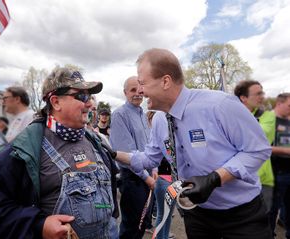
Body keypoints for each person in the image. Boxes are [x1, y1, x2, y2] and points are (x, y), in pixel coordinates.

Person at [113, 48, 273, 239]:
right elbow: (149, 158)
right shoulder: (159, 120)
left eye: (142, 83)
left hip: (242, 215)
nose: (140, 90)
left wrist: (216, 178)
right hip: (196, 215)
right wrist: (113, 154)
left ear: (165, 81)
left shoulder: (220, 105)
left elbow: (258, 150)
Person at [0, 67, 115, 239]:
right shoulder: (22, 150)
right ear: (55, 102)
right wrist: (38, 225)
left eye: (90, 96)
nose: (90, 103)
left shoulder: (96, 141)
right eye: (82, 96)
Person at [110, 76, 155, 239]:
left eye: (139, 89)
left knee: (142, 224)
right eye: (132, 90)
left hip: (146, 174)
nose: (137, 93)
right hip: (133, 179)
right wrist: (147, 178)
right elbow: (125, 154)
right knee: (132, 226)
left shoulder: (142, 114)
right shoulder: (120, 115)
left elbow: (149, 146)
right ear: (124, 93)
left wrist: (154, 169)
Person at [234, 80, 275, 213]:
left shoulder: (268, 115)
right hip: (238, 178)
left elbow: (258, 133)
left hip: (263, 179)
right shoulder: (231, 116)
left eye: (262, 93)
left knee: (265, 219)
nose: (262, 96)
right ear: (243, 98)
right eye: (257, 94)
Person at [86, 95, 120, 239]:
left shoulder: (102, 138)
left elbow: (113, 168)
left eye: (93, 109)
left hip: (107, 209)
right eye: (88, 108)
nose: (90, 112)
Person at [146, 111, 176, 239]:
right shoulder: (157, 140)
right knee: (161, 214)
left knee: (168, 215)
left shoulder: (173, 136)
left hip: (174, 181)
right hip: (163, 179)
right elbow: (153, 158)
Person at [268, 93, 290, 238]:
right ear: (279, 103)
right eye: (289, 106)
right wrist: (285, 151)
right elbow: (259, 147)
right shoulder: (267, 121)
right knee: (272, 207)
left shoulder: (288, 120)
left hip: (288, 170)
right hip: (275, 171)